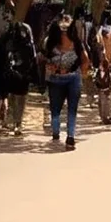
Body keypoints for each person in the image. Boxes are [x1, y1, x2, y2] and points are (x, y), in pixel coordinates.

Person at [44, 15, 89, 150]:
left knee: (63, 109)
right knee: (63, 109)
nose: (64, 32)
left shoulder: (53, 43)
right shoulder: (54, 44)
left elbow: (85, 60)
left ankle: (64, 135)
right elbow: (85, 60)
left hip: (65, 79)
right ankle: (62, 135)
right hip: (64, 79)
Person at [0, 20, 36, 136]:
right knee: (19, 98)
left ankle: (12, 121)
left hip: (10, 71)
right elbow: (32, 53)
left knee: (12, 96)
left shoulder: (5, 33)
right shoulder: (25, 32)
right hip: (22, 72)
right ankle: (17, 123)